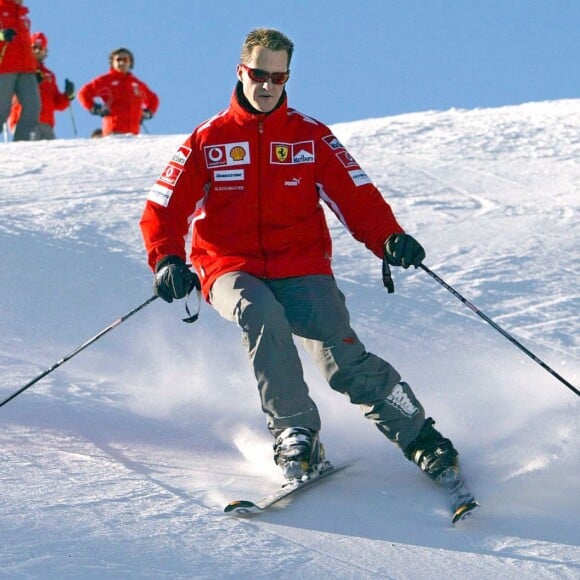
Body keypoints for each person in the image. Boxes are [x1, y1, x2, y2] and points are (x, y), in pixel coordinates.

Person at [140, 28, 478, 520]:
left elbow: (356, 196)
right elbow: (163, 207)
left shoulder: (310, 136)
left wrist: (388, 237)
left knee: (343, 362)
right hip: (229, 265)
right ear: (241, 71)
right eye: (259, 74)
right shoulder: (209, 140)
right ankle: (296, 433)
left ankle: (423, 438)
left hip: (302, 266)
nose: (267, 85)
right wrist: (168, 258)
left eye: (278, 77)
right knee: (260, 315)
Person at [78, 47, 159, 137]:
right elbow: (84, 93)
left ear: (130, 62)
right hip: (113, 132)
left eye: (125, 59)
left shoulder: (137, 84)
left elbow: (153, 99)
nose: (122, 62)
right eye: (118, 59)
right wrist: (94, 108)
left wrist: (148, 113)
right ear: (112, 62)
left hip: (134, 134)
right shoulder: (106, 80)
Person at [8, 31, 74, 140]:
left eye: (41, 48)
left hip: (46, 124)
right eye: (34, 47)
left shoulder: (49, 75)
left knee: (53, 155)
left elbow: (58, 104)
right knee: (29, 154)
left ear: (45, 51)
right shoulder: (19, 69)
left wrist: (68, 95)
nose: (38, 50)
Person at [0, 0, 40, 141]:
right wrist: (1, 35)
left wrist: (36, 69)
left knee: (33, 105)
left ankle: (22, 143)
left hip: (26, 69)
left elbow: (26, 46)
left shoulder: (23, 14)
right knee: (2, 109)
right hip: (4, 67)